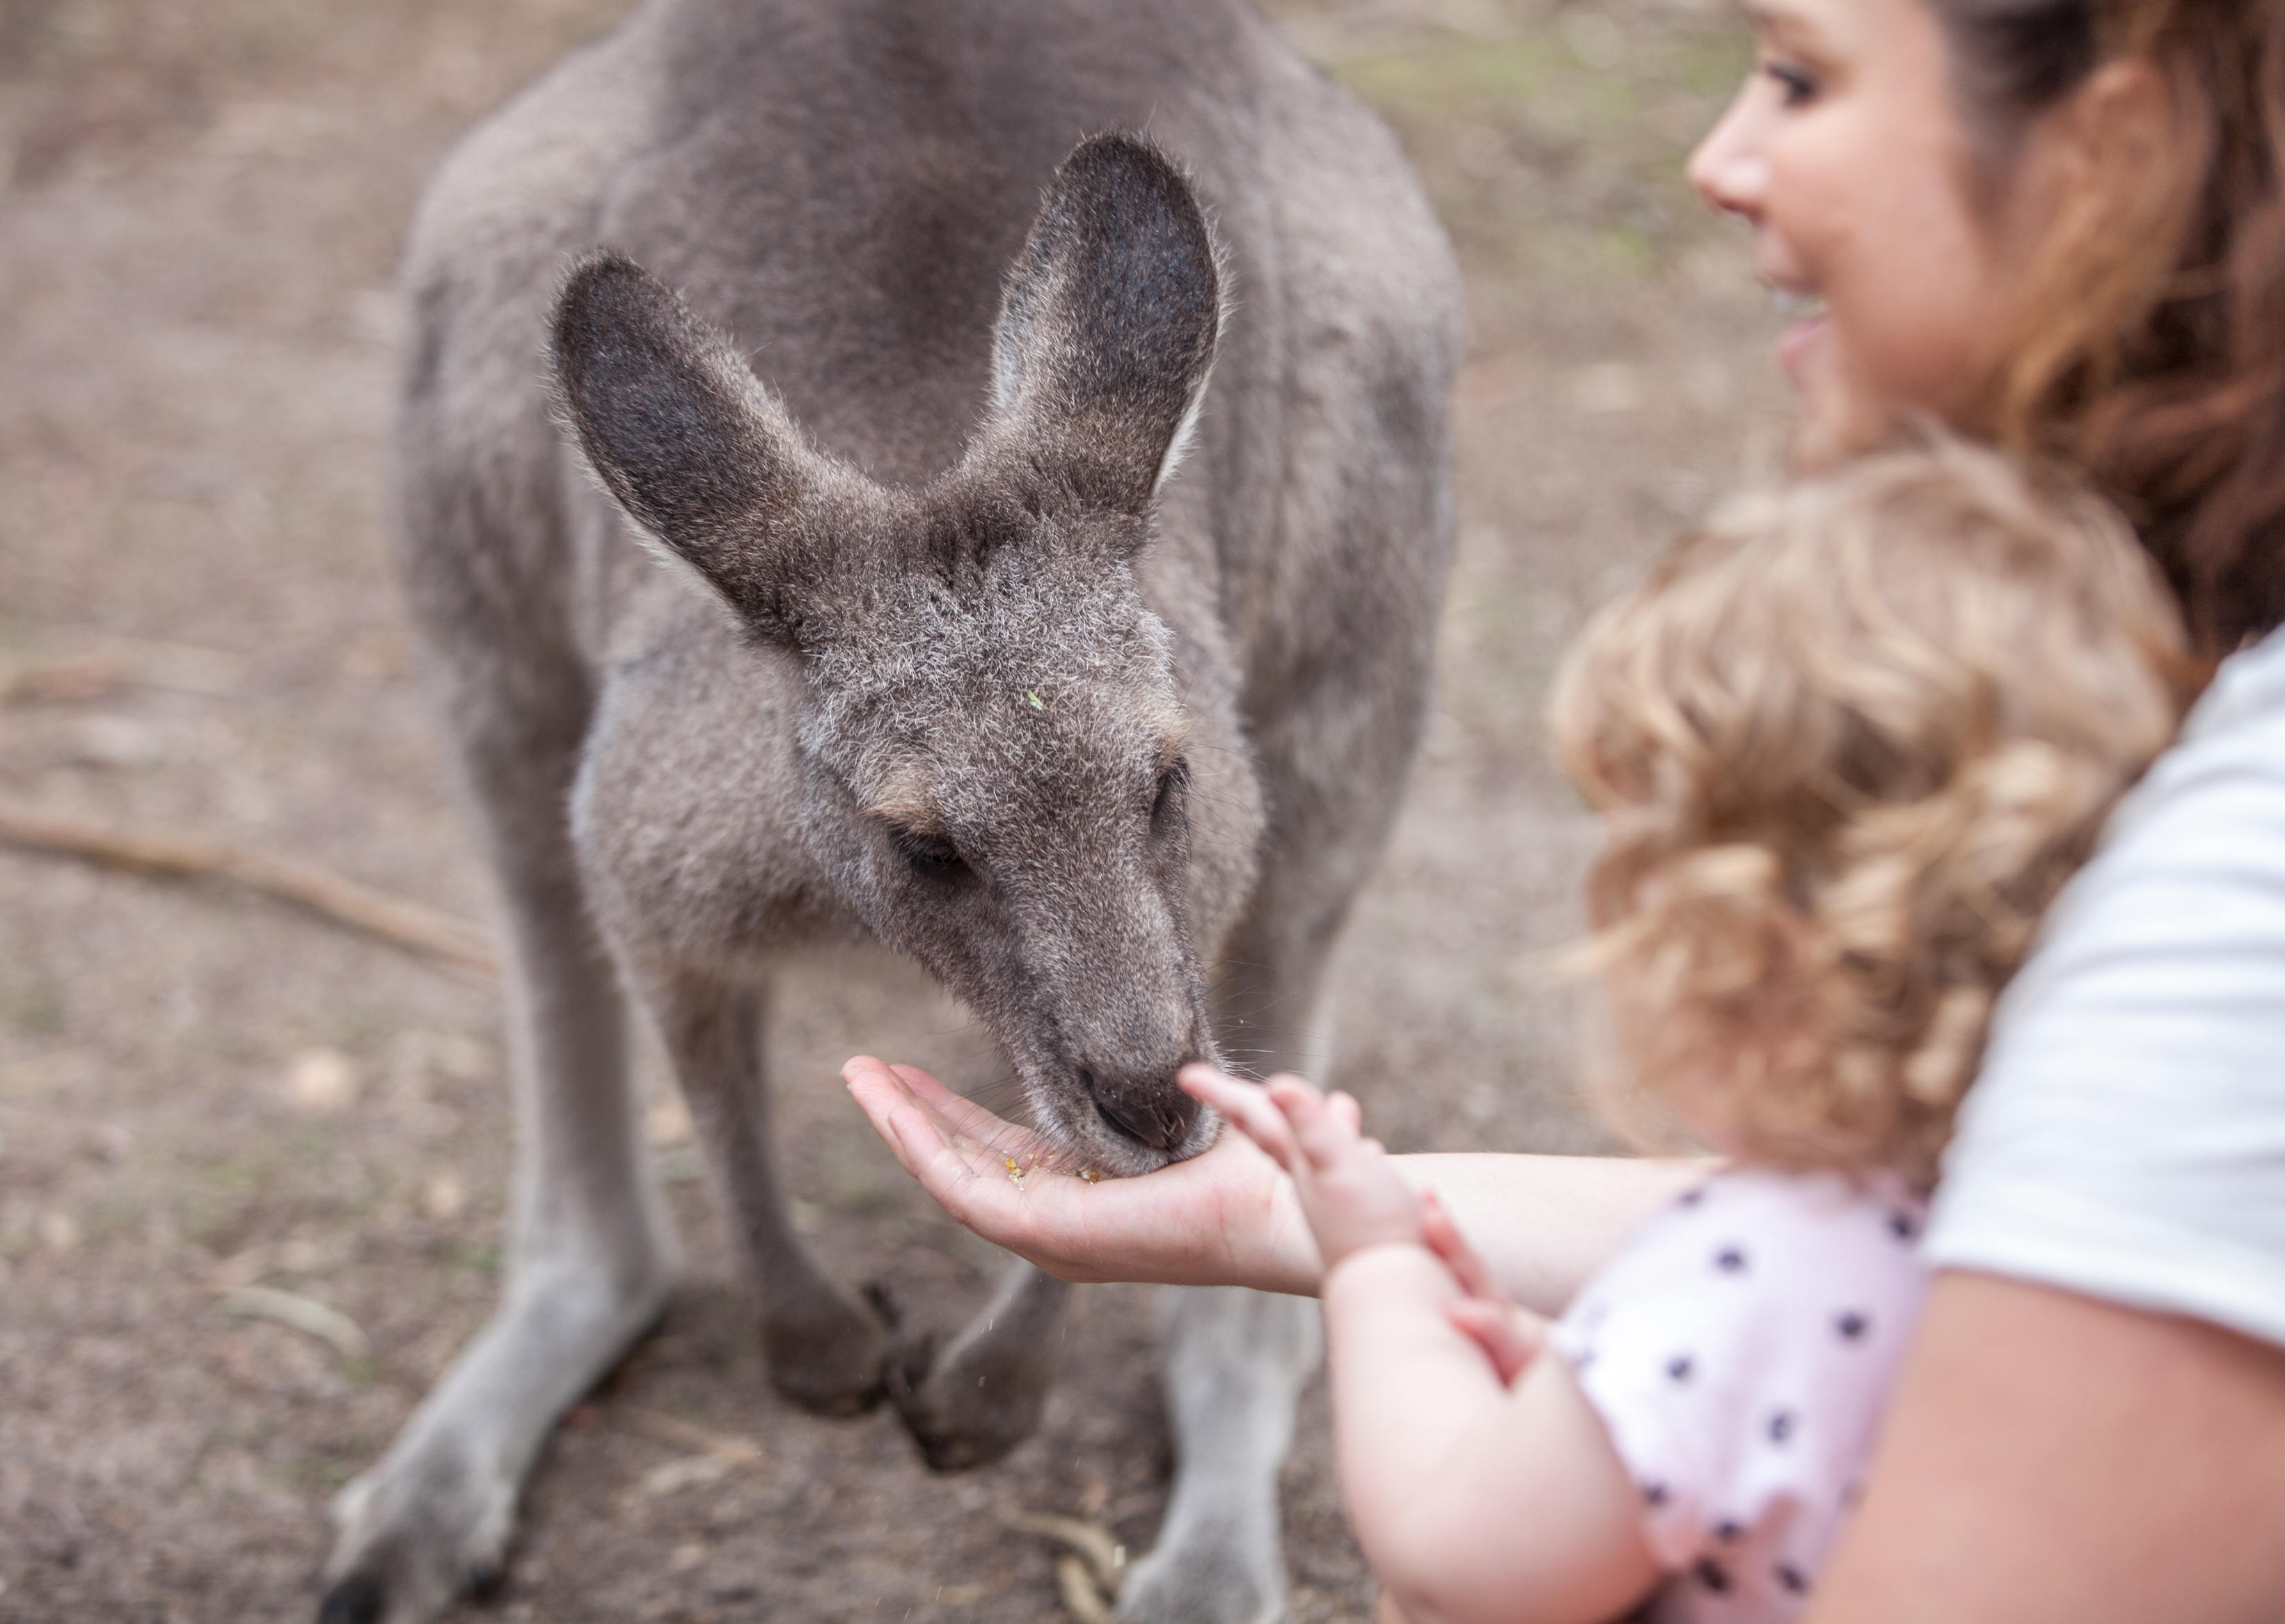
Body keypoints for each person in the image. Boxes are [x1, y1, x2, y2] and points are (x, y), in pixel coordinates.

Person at [846, 0, 2285, 1616]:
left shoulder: (2231, 894)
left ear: (2112, 142)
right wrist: (1284, 1217)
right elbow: (1969, 1238)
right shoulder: (1879, 1233)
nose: (1714, 153)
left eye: (1802, 77)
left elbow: (1462, 1539)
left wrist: (1383, 1283)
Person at [1181, 442, 2189, 1623]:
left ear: (1752, 951)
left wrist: (1375, 1272)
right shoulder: (2042, 1238)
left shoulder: (1747, 1273)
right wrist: (1576, 1380)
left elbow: (1458, 1541)